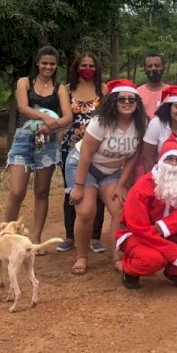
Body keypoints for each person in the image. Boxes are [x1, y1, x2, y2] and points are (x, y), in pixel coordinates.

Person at [66, 79, 145, 275]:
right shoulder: (101, 122)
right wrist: (78, 185)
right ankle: (82, 256)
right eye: (121, 100)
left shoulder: (141, 124)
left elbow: (134, 156)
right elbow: (85, 154)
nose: (127, 103)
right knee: (86, 211)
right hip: (83, 166)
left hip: (110, 172)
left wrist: (121, 184)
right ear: (113, 102)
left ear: (137, 102)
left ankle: (118, 256)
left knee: (120, 209)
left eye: (131, 99)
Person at [116, 134, 177, 290]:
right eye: (169, 159)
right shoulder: (143, 186)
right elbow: (137, 226)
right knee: (153, 260)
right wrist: (170, 250)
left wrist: (165, 226)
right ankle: (129, 270)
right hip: (140, 235)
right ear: (160, 161)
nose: (173, 164)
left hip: (165, 232)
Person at [4, 45, 72, 246]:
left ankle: (36, 238)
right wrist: (45, 117)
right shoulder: (24, 83)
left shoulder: (60, 88)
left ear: (56, 65)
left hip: (48, 144)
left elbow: (68, 116)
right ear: (37, 63)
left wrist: (51, 126)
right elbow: (23, 107)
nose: (48, 67)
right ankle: (6, 237)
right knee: (17, 191)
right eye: (44, 63)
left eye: (52, 64)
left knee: (42, 191)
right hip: (24, 140)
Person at [57, 52, 108, 254]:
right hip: (70, 148)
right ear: (76, 68)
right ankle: (70, 236)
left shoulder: (103, 89)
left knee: (98, 190)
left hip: (97, 148)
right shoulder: (66, 90)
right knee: (72, 191)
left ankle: (95, 237)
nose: (88, 68)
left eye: (92, 65)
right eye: (84, 65)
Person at [137, 53, 168, 120]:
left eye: (157, 65)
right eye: (149, 66)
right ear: (145, 69)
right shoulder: (137, 93)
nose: (153, 68)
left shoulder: (172, 92)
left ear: (164, 68)